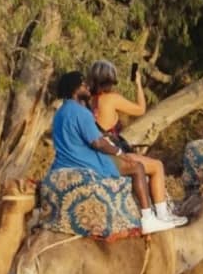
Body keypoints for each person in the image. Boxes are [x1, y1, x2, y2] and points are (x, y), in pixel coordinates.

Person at [51, 71, 181, 234]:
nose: (86, 86)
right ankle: (148, 219)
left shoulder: (59, 113)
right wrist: (119, 152)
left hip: (63, 163)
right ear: (75, 88)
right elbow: (97, 142)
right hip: (86, 162)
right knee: (137, 167)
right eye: (83, 84)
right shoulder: (81, 112)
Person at [86, 60, 186, 227]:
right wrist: (138, 83)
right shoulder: (111, 99)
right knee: (157, 166)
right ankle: (163, 215)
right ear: (110, 80)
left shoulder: (89, 100)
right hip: (111, 154)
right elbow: (140, 109)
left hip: (97, 154)